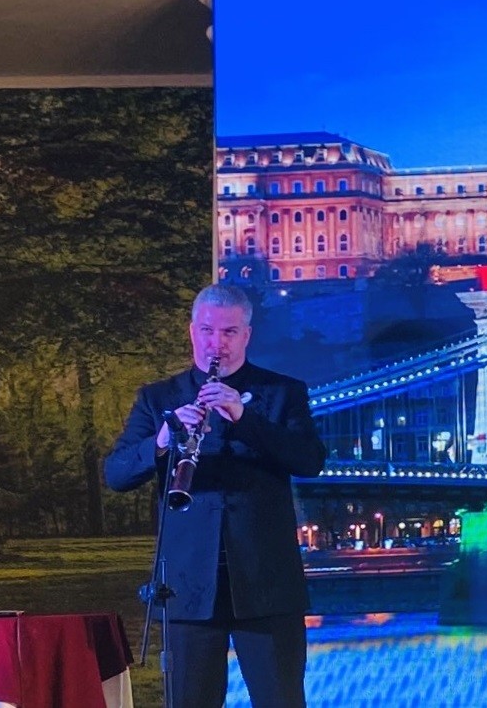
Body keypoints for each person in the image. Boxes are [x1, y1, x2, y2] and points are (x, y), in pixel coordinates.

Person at [104, 284, 326, 707]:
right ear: (192, 332)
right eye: (207, 331)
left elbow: (309, 459)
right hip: (188, 586)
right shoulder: (158, 399)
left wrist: (244, 418)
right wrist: (164, 439)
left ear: (246, 335)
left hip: (266, 585)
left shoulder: (282, 393)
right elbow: (116, 474)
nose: (216, 343)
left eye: (228, 332)